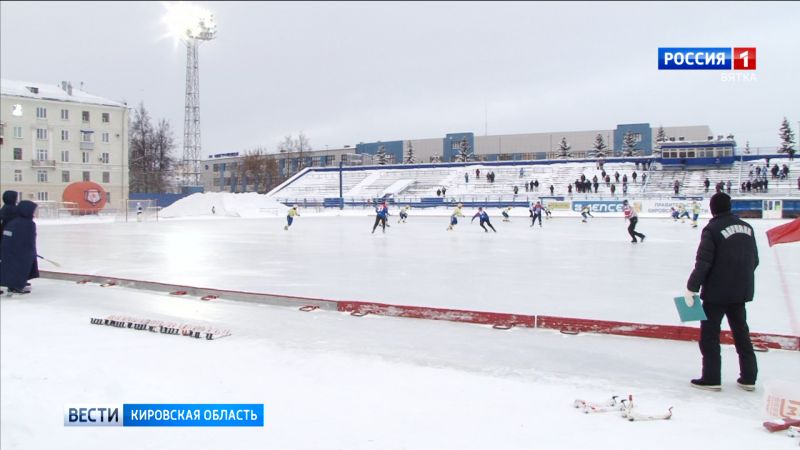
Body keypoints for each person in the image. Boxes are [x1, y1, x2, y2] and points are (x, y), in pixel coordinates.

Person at [686, 192, 759, 392]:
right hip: (740, 292)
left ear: (712, 208)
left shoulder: (712, 229)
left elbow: (703, 263)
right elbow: (754, 260)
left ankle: (711, 378)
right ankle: (749, 378)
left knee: (710, 335)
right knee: (741, 333)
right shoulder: (748, 228)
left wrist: (692, 287)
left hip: (716, 294)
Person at [0, 200, 39, 294]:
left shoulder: (13, 222)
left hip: (11, 251)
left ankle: (13, 286)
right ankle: (16, 286)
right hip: (22, 252)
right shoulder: (28, 224)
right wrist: (31, 251)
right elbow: (29, 239)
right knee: (20, 269)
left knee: (12, 268)